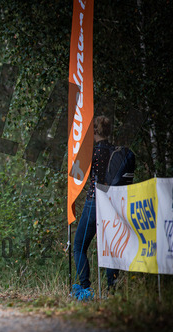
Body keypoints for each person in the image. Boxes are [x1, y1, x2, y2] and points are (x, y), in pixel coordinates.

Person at [72, 115, 119, 301]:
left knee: (79, 245)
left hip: (93, 201)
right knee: (110, 248)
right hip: (112, 202)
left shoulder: (92, 152)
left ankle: (86, 288)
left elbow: (76, 173)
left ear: (95, 131)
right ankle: (111, 291)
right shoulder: (115, 151)